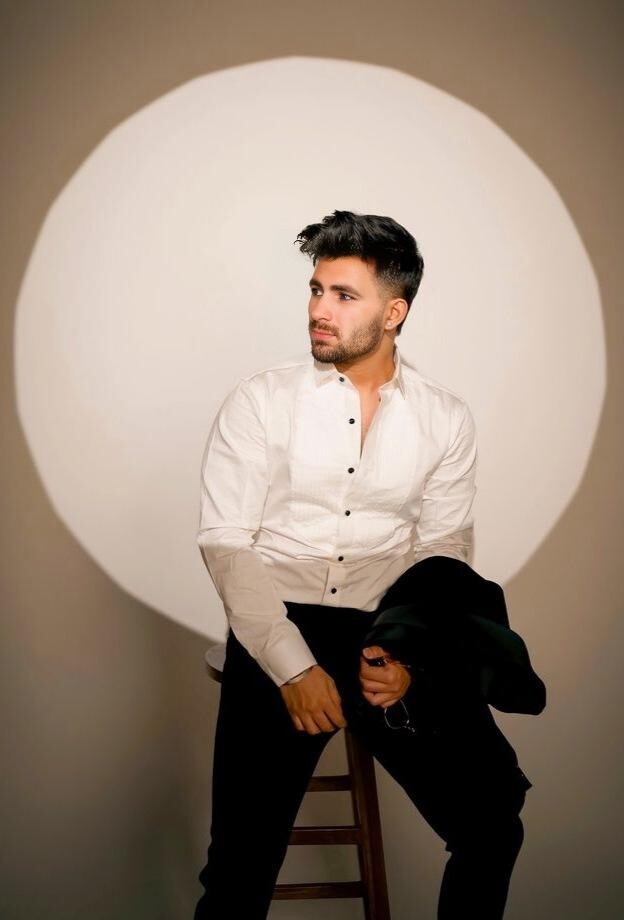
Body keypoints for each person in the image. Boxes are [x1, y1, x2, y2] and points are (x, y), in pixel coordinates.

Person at [193, 210, 532, 919]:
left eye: (344, 295)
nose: (319, 310)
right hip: (278, 623)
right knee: (238, 872)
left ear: (394, 311)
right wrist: (293, 669)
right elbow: (227, 542)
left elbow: (443, 553)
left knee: (491, 823)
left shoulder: (445, 417)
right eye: (317, 290)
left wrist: (405, 657)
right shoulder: (260, 400)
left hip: (387, 626)